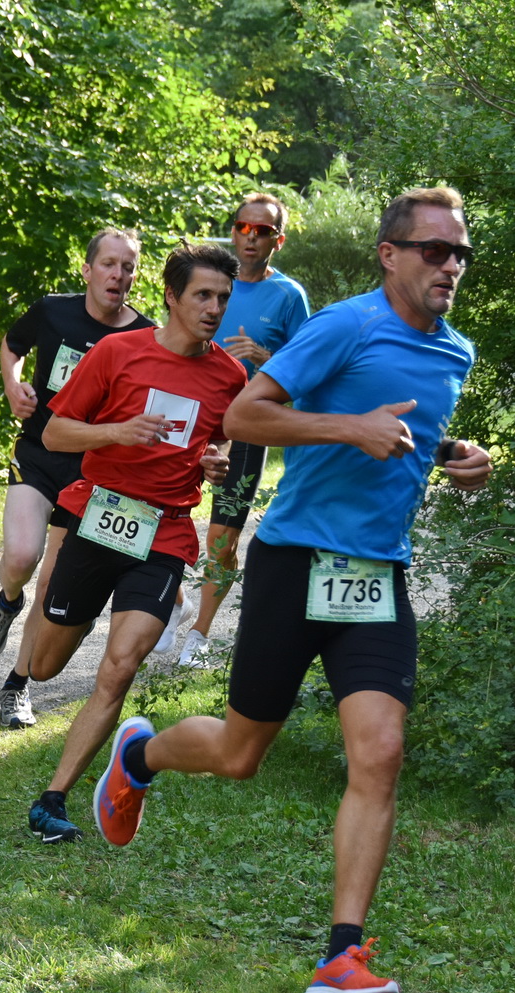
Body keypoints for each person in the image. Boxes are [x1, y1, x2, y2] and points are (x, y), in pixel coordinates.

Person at [88, 187, 493, 993]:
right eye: (433, 250)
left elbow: (403, 432)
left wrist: (457, 453)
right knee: (242, 753)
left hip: (375, 572)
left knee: (379, 752)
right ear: (391, 254)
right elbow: (245, 414)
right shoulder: (344, 324)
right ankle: (139, 756)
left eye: (460, 254)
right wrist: (352, 429)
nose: (449, 265)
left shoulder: (455, 351)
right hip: (294, 559)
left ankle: (342, 958)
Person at [23, 244, 247, 843]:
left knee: (121, 666)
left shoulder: (229, 375)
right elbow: (55, 429)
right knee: (44, 668)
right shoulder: (116, 352)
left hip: (165, 531)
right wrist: (117, 431)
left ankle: (54, 798)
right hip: (97, 516)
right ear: (172, 296)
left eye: (223, 298)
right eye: (203, 295)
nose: (214, 308)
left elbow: (216, 442)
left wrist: (214, 463)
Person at [0, 229, 157, 730]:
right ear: (89, 270)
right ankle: (7, 602)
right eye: (110, 265)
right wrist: (13, 384)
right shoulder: (52, 311)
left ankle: (16, 686)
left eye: (129, 267)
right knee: (20, 558)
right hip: (39, 454)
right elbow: (11, 345)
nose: (119, 275)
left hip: (92, 472)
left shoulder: (143, 336)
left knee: (52, 577)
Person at [176, 193, 311, 667]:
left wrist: (265, 360)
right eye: (242, 228)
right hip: (188, 416)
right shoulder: (210, 283)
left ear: (279, 239)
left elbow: (309, 380)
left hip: (246, 427)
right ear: (232, 230)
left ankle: (199, 634)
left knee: (222, 538)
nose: (250, 238)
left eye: (263, 231)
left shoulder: (289, 297)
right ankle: (175, 602)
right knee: (159, 514)